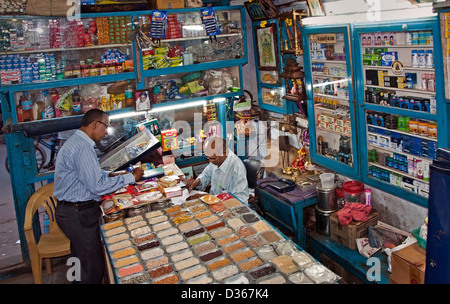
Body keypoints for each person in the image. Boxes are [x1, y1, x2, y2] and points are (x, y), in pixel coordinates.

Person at [54, 109, 144, 284]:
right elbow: (96, 186)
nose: (106, 132)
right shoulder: (82, 148)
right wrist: (131, 177)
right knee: (92, 265)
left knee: (80, 258)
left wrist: (109, 175)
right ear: (95, 124)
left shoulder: (76, 142)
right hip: (78, 213)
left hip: (70, 211)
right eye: (106, 127)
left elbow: (87, 174)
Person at [186, 135, 249, 203]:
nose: (210, 161)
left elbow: (240, 199)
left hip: (227, 206)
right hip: (213, 201)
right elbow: (206, 174)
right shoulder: (215, 160)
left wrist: (210, 199)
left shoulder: (236, 168)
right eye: (208, 157)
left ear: (224, 153)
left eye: (213, 158)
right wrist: (198, 181)